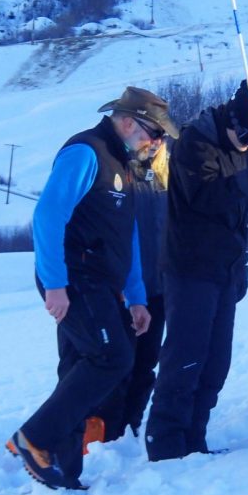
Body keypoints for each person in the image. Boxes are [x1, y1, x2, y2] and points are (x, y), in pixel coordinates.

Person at [6, 87, 179, 489]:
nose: (157, 143)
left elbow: (129, 238)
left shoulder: (125, 164)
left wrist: (137, 297)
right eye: (154, 134)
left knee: (76, 366)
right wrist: (54, 284)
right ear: (127, 121)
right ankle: (34, 438)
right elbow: (47, 217)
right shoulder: (87, 152)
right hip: (74, 277)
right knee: (112, 358)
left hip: (102, 281)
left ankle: (63, 467)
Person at [144, 79, 248, 461]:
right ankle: (166, 443)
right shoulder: (194, 145)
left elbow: (236, 218)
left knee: (217, 362)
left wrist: (239, 270)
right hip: (189, 269)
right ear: (232, 120)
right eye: (247, 134)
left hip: (223, 270)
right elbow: (206, 200)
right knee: (186, 356)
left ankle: (194, 438)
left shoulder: (242, 151)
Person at [89, 143, 170, 444]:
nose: (156, 143)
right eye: (152, 134)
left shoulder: (165, 177)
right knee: (116, 365)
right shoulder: (117, 173)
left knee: (146, 364)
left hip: (157, 290)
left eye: (162, 137)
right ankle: (103, 434)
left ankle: (130, 428)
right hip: (120, 290)